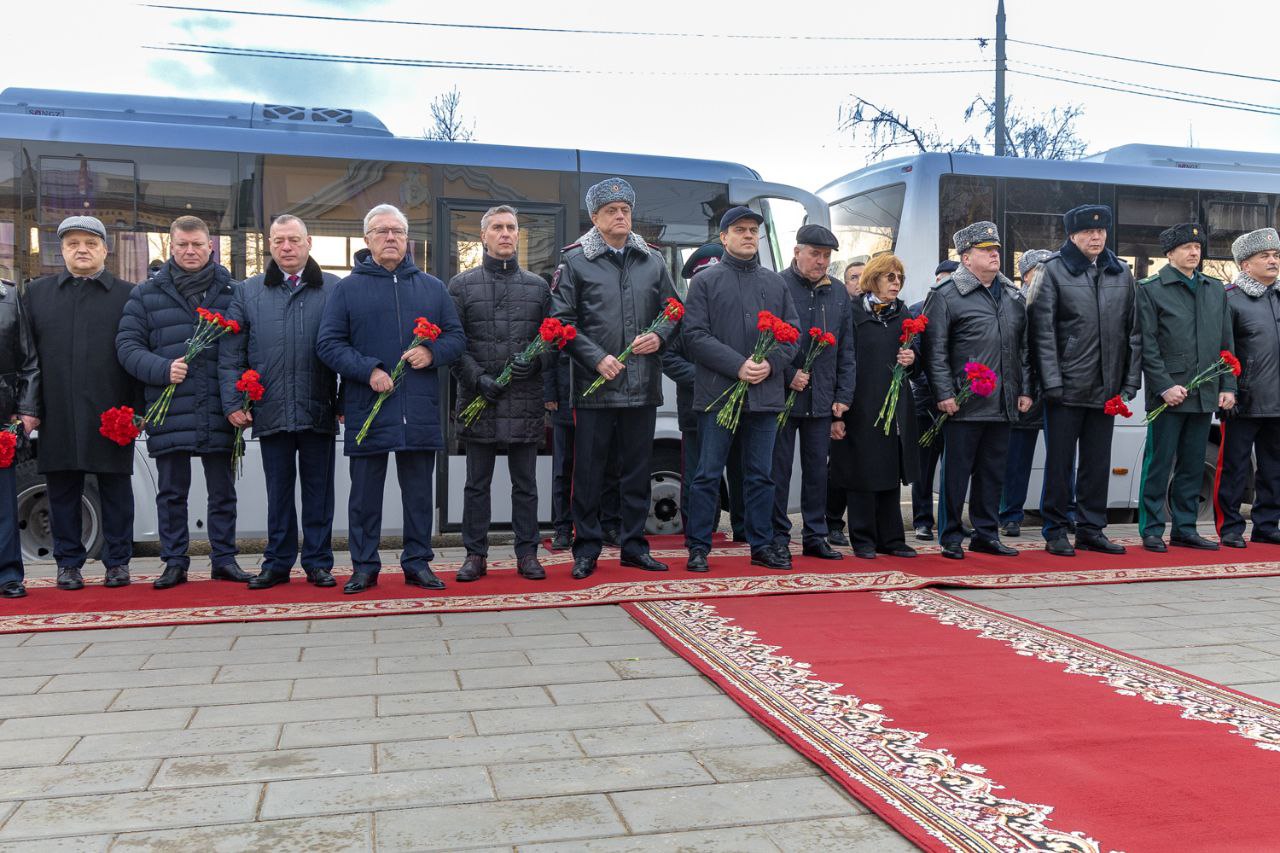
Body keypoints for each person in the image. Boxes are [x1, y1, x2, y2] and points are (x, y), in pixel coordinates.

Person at [316, 203, 465, 593]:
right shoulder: (347, 288)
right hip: (367, 408)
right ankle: (365, 566)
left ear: (407, 239)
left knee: (418, 496)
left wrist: (432, 353)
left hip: (418, 409)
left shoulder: (433, 287)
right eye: (382, 232)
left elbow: (456, 339)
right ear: (367, 240)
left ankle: (417, 563)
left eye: (397, 232)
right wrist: (370, 370)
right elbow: (328, 344)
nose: (390, 238)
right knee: (364, 498)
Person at [548, 178, 679, 580]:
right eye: (611, 211)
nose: (620, 216)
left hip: (642, 387)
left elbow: (673, 309)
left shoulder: (653, 259)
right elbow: (560, 322)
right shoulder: (574, 261)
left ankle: (634, 545)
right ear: (594, 218)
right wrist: (596, 357)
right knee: (587, 473)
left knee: (637, 472)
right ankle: (585, 548)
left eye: (625, 210)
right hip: (594, 388)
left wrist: (659, 335)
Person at [116, 216, 252, 589]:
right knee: (172, 493)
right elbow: (127, 347)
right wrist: (162, 368)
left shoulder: (234, 292)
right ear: (171, 248)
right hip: (170, 407)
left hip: (219, 409)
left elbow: (247, 349)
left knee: (223, 491)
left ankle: (224, 559)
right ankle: (174, 562)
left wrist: (242, 395)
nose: (189, 251)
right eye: (181, 245)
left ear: (211, 247)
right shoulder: (146, 293)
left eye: (196, 245)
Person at [218, 214, 340, 590]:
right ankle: (278, 563)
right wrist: (233, 401)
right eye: (278, 241)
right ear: (269, 245)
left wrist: (345, 401)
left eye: (293, 240)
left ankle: (318, 562)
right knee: (279, 492)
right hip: (268, 409)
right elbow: (230, 353)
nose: (286, 247)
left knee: (319, 492)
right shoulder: (247, 292)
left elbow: (349, 346)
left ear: (309, 243)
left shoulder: (335, 289)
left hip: (319, 407)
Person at [683, 206, 800, 572]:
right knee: (707, 473)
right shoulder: (705, 282)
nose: (749, 235)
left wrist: (771, 363)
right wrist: (737, 365)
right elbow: (694, 336)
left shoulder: (775, 283)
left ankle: (761, 544)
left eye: (753, 230)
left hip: (764, 396)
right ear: (724, 237)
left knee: (761, 475)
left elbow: (792, 334)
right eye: (740, 230)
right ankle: (699, 546)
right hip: (719, 394)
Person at [23, 216, 137, 591]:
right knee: (62, 492)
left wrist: (137, 410)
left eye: (90, 242)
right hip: (56, 411)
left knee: (115, 489)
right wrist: (29, 407)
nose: (82, 249)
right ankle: (68, 564)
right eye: (72, 243)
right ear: (62, 251)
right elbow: (28, 357)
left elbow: (137, 354)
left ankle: (117, 562)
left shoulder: (127, 294)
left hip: (112, 411)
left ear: (105, 248)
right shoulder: (37, 294)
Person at [1031, 206, 1143, 556]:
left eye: (1102, 232)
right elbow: (1042, 333)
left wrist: (1129, 385)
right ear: (1072, 236)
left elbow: (1133, 333)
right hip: (1065, 388)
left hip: (1106, 388)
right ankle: (1055, 529)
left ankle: (1092, 528)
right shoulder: (1051, 271)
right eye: (1088, 233)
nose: (1096, 237)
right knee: (1060, 463)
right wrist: (1051, 383)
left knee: (1098, 463)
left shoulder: (1121, 272)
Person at [449, 205, 550, 582]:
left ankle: (527, 553)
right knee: (477, 484)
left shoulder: (538, 288)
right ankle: (475, 554)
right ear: (483, 236)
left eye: (511, 227)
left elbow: (552, 341)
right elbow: (453, 344)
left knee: (525, 484)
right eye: (497, 227)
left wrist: (537, 364)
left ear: (518, 235)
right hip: (480, 401)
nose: (505, 233)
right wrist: (477, 379)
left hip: (524, 400)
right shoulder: (460, 286)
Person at [923, 221, 1032, 560]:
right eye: (987, 251)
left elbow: (1023, 350)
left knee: (992, 473)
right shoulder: (946, 296)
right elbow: (934, 350)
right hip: (963, 403)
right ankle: (951, 536)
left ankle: (986, 533)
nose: (995, 255)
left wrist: (1025, 390)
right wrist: (944, 393)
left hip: (1002, 402)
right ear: (966, 258)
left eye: (996, 250)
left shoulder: (1013, 296)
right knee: (957, 475)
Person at [1136, 223, 1235, 552]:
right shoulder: (1150, 289)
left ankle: (1185, 527)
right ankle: (1151, 528)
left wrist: (1227, 385)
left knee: (1193, 463)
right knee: (1160, 461)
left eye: (1197, 247)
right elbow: (1146, 344)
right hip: (1169, 395)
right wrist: (1164, 386)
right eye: (1186, 247)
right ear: (1169, 253)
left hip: (1204, 392)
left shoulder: (1214, 289)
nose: (1194, 252)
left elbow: (1225, 343)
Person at [771, 224, 855, 560]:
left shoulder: (837, 292)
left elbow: (847, 348)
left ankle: (815, 536)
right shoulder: (776, 284)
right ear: (797, 252)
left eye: (826, 256)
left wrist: (844, 396)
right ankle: (778, 537)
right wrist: (788, 374)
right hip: (782, 395)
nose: (821, 261)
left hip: (822, 399)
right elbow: (766, 340)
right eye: (814, 254)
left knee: (818, 472)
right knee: (778, 471)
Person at [831, 253, 919, 558]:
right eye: (890, 277)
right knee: (861, 472)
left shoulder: (902, 313)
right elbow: (842, 360)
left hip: (893, 406)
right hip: (859, 402)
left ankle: (892, 539)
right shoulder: (853, 312)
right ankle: (863, 538)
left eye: (900, 278)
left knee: (888, 471)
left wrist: (911, 359)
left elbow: (915, 362)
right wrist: (839, 406)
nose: (896, 283)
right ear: (874, 279)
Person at [1216, 228, 1280, 547]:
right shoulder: (1230, 299)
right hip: (1244, 400)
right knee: (1234, 468)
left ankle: (1267, 525)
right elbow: (1223, 352)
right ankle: (1229, 527)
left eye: (1276, 255)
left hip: (1278, 402)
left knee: (1273, 470)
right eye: (1264, 256)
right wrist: (1229, 390)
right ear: (1245, 264)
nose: (1273, 260)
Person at [661, 241, 723, 544]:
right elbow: (668, 358)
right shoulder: (681, 317)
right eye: (703, 279)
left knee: (737, 471)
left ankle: (741, 529)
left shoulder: (737, 310)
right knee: (697, 472)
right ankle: (696, 532)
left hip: (736, 407)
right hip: (695, 406)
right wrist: (705, 379)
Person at [904, 258, 963, 542]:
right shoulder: (919, 311)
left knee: (954, 467)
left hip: (958, 402)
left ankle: (950, 521)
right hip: (926, 402)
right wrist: (937, 391)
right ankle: (922, 520)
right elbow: (916, 361)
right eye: (943, 278)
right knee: (924, 468)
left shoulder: (964, 308)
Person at [998, 248, 1053, 538]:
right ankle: (1010, 515)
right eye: (1040, 270)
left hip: (1056, 390)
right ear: (1027, 274)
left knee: (1060, 459)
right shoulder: (1015, 302)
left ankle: (1058, 513)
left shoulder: (1060, 300)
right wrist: (1024, 388)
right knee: (1017, 460)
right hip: (1025, 392)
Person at [0, 275, 39, 598]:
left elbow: (28, 361)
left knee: (3, 502)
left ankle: (8, 574)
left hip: (3, 414)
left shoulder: (9, 296)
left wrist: (27, 410)